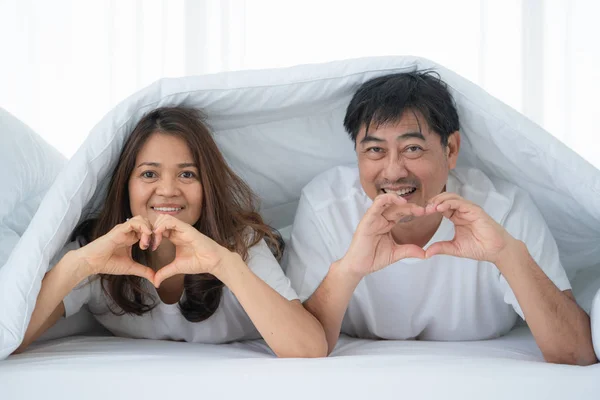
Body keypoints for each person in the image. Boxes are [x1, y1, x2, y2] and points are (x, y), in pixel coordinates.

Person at [284, 71, 597, 365]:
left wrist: (507, 254)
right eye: (375, 150)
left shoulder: (503, 208)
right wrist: (348, 269)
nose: (393, 171)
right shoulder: (326, 205)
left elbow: (577, 351)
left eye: (413, 148)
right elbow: (301, 344)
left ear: (451, 149)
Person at [16, 106, 327, 358]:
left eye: (187, 174)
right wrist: (78, 265)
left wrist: (224, 264)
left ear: (207, 188)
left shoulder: (240, 242)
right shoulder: (98, 248)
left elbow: (309, 348)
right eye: (149, 174)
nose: (167, 190)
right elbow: (9, 338)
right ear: (126, 185)